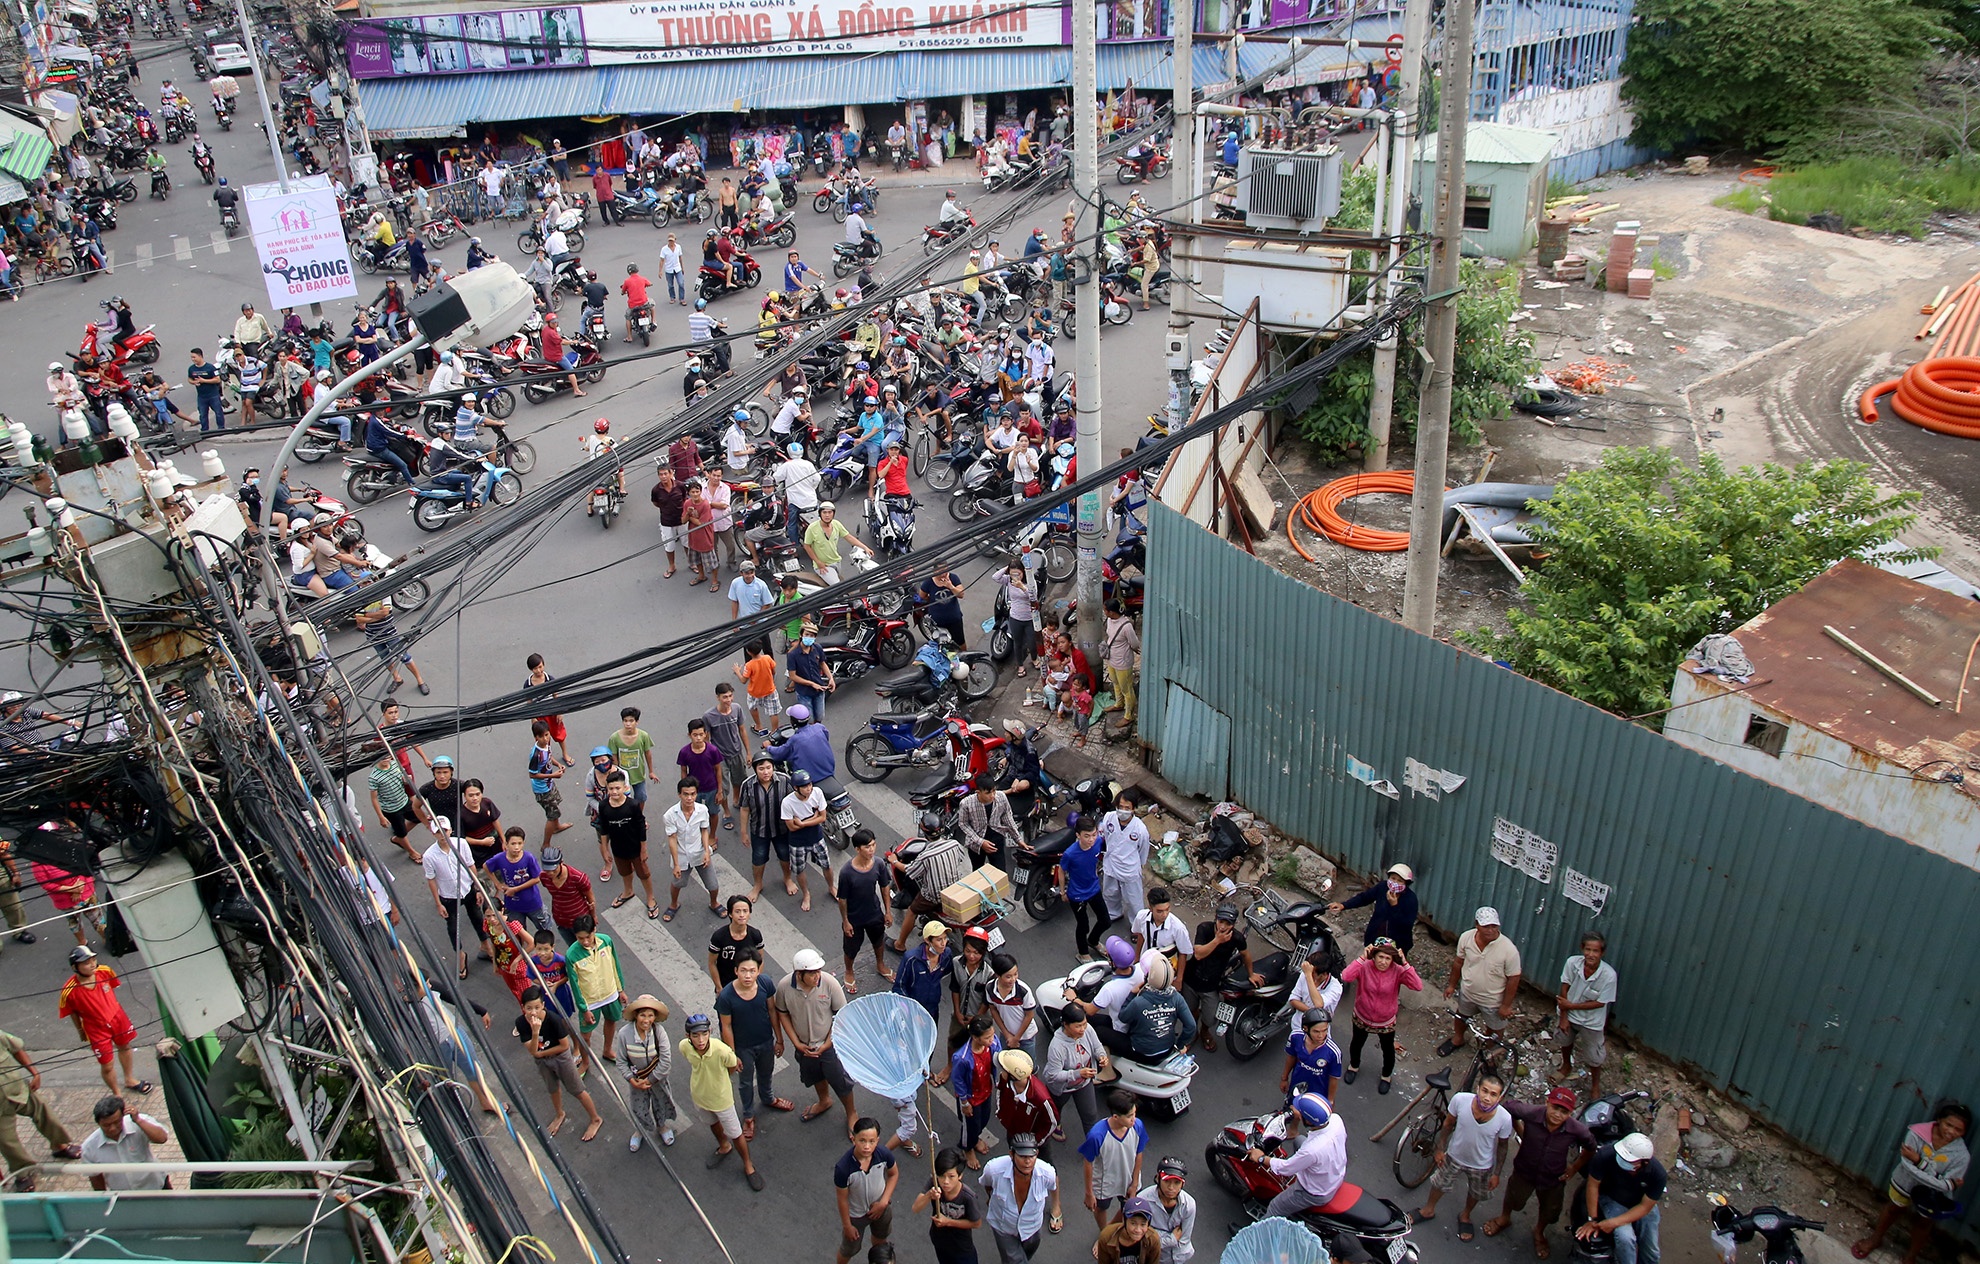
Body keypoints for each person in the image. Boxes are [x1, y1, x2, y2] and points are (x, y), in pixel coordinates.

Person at [1483, 1085, 1596, 1253]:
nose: (1558, 1114)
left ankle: (1539, 1231)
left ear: (1570, 1114)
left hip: (1554, 1178)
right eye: (1555, 1107)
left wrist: (1574, 1168)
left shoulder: (1577, 1130)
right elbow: (1507, 1108)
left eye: (1564, 1112)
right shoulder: (1530, 1112)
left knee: (1550, 1209)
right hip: (1524, 1170)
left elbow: (1591, 1147)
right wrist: (1521, 1132)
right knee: (1513, 1197)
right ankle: (1504, 1218)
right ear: (1547, 1102)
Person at [1854, 1102, 1971, 1264]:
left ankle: (1910, 1257)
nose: (1951, 1131)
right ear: (1939, 1120)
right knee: (1893, 1209)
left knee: (1924, 1223)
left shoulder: (1962, 1156)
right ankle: (1875, 1239)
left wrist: (1918, 1161)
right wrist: (1941, 1180)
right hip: (1905, 1183)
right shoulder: (1917, 1133)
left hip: (1931, 1196)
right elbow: (1909, 1167)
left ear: (1964, 1132)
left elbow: (1942, 1185)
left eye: (1958, 1130)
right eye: (1948, 1124)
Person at [1415, 1071, 1514, 1238]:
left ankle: (1465, 1215)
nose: (1487, 1097)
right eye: (1484, 1090)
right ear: (1478, 1088)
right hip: (1454, 1155)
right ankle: (1428, 1210)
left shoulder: (1505, 1118)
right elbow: (1447, 1124)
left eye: (1493, 1094)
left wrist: (1496, 1174)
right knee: (1439, 1183)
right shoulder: (1460, 1100)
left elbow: (1503, 1147)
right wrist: (1440, 1149)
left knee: (1475, 1192)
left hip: (1482, 1165)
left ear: (1499, 1098)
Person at [774, 947, 860, 1132]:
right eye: (812, 973)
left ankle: (851, 1113)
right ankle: (824, 1100)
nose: (817, 976)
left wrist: (828, 1043)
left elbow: (841, 1016)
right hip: (804, 1047)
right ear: (799, 974)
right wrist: (796, 1043)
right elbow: (782, 1013)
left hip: (829, 1045)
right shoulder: (784, 987)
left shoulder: (829, 983)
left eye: (818, 971)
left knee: (841, 1081)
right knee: (815, 1076)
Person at [682, 1012, 764, 1189]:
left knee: (736, 1133)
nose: (701, 1039)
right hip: (700, 1096)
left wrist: (719, 1081)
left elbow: (733, 1065)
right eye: (695, 1035)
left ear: (710, 1032)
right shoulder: (685, 1047)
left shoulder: (721, 1050)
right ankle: (723, 1146)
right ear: (688, 1036)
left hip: (722, 1100)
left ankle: (748, 1165)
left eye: (704, 1034)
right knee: (712, 1123)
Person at [515, 985, 603, 1142]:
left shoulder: (553, 1020)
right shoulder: (522, 1023)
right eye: (529, 1008)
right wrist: (535, 1033)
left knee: (577, 1090)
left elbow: (564, 1046)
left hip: (560, 1057)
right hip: (542, 1060)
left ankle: (595, 1118)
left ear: (543, 1005)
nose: (533, 1012)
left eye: (536, 1007)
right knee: (552, 1088)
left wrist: (540, 1053)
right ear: (523, 1008)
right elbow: (532, 1049)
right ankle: (559, 1113)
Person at [59, 945, 148, 1097]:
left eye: (93, 959)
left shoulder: (105, 971)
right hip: (96, 1029)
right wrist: (80, 1030)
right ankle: (117, 1093)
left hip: (117, 1018)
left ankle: (129, 1079)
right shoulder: (69, 991)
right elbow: (71, 1012)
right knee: (107, 1065)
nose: (92, 964)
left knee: (125, 1046)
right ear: (75, 967)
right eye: (86, 962)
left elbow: (111, 991)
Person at [718, 951, 791, 1135]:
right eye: (743, 970)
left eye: (752, 970)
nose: (748, 975)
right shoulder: (726, 996)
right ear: (736, 971)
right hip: (743, 1049)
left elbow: (772, 1011)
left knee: (766, 1073)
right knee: (745, 1083)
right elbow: (726, 1026)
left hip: (766, 1042)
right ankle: (748, 1115)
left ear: (759, 971)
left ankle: (768, 1098)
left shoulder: (765, 983)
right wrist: (732, 1055)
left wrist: (779, 1039)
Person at [0, 1025, 80, 1191]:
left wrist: (34, 1072)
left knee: (45, 1113)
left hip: (17, 1090)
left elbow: (16, 1049)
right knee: (7, 1141)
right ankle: (23, 1172)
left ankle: (60, 1145)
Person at [1339, 938, 1422, 1093]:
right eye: (1380, 957)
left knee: (1387, 1049)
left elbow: (1418, 986)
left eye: (1388, 958)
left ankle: (1386, 1075)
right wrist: (1362, 958)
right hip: (1362, 1015)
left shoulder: (1397, 971)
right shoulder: (1364, 966)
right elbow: (1345, 976)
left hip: (1386, 1020)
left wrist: (1404, 963)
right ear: (1374, 955)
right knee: (1357, 1043)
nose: (1383, 962)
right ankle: (1354, 1066)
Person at [1250, 1092, 1347, 1219]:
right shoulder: (1336, 1120)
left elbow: (1285, 1169)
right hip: (1333, 1175)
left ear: (1308, 1120)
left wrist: (1261, 1158)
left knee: (1275, 1206)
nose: (1296, 1111)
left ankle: (1253, 1235)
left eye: (1300, 1112)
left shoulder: (1311, 1150)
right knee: (1299, 1140)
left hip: (1315, 1192)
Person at [1441, 907, 1521, 1057]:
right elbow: (1458, 963)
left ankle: (1488, 1052)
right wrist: (1452, 985)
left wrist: (1505, 1005)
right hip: (1468, 992)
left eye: (1494, 926)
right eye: (1486, 926)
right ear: (1477, 925)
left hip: (1492, 1000)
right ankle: (1458, 1039)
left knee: (1495, 1029)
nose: (1490, 930)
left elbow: (1514, 979)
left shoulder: (1509, 950)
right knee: (1461, 1016)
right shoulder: (1466, 938)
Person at [1575, 1133, 1665, 1264]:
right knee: (1625, 1238)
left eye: (1629, 1160)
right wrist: (1593, 1219)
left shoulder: (1657, 1174)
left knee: (1651, 1247)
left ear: (1643, 1162)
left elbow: (1645, 1207)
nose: (1622, 1160)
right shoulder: (1605, 1156)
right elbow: (1593, 1186)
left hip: (1640, 1203)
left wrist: (1613, 1223)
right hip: (1612, 1200)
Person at [1181, 903, 1258, 1052]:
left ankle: (1204, 1031)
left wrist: (1251, 974)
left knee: (1209, 1017)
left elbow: (1245, 954)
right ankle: (1192, 1032)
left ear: (1233, 925)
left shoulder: (1237, 938)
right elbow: (1198, 953)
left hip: (1212, 985)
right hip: (1191, 979)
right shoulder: (1204, 928)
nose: (1223, 927)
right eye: (1221, 921)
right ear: (1216, 919)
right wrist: (1217, 941)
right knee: (1190, 1010)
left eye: (1228, 923)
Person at [422, 819, 492, 978]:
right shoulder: (429, 856)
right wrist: (438, 903)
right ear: (434, 833)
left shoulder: (461, 844)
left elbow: (471, 865)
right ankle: (460, 955)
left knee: (477, 918)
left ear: (450, 830)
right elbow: (431, 879)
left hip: (467, 889)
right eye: (438, 831)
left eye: (444, 830)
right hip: (448, 895)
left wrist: (477, 888)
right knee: (453, 927)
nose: (442, 834)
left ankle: (485, 946)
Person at [1554, 931, 1617, 1097]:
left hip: (1591, 1022)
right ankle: (1566, 1066)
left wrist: (1571, 1006)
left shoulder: (1608, 975)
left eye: (1595, 951)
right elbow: (1564, 987)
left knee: (1594, 1056)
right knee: (1565, 1040)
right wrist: (1564, 1016)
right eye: (1588, 949)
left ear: (1602, 953)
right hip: (1569, 1013)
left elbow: (1600, 1003)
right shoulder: (1572, 963)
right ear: (1582, 949)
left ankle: (1595, 1086)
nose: (1591, 954)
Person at [981, 1133, 1062, 1258]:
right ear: (1012, 1155)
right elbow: (987, 1185)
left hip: (1032, 1227)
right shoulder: (993, 1169)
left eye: (1031, 1156)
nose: (1028, 1161)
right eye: (1022, 1156)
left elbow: (1052, 1187)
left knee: (1026, 1255)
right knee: (1014, 1260)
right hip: (1003, 1227)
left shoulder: (1047, 1173)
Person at [616, 994, 677, 1150]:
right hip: (637, 1080)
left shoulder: (659, 1032)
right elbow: (621, 1061)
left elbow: (665, 1061)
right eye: (643, 1015)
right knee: (638, 1107)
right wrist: (632, 1079)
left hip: (658, 1079)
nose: (646, 1020)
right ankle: (640, 1130)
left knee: (660, 1103)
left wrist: (650, 1080)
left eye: (650, 1015)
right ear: (636, 1015)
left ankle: (662, 1126)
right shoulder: (624, 1034)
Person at [1079, 1089, 1148, 1229]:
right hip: (1104, 1184)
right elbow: (1088, 1163)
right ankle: (1104, 1234)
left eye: (1134, 1113)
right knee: (1101, 1209)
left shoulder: (1137, 1126)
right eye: (1129, 1116)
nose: (1134, 1119)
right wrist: (1089, 1193)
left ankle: (1111, 1229)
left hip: (1129, 1180)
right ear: (1116, 1117)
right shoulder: (1097, 1136)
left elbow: (1139, 1154)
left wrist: (1134, 1184)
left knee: (1128, 1208)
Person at [566, 913, 630, 1063]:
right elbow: (575, 985)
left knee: (611, 1020)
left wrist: (620, 990)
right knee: (586, 1035)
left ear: (594, 930)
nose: (585, 942)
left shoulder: (606, 941)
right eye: (580, 938)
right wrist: (584, 1009)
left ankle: (607, 1050)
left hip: (610, 993)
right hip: (590, 1001)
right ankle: (586, 1062)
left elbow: (615, 966)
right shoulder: (571, 955)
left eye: (588, 936)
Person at [836, 1118, 901, 1263]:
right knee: (848, 1249)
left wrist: (883, 1203)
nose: (867, 1146)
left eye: (871, 1141)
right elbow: (842, 1199)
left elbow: (893, 1174)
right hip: (856, 1216)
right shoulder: (843, 1168)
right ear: (853, 1139)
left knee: (880, 1239)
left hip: (881, 1208)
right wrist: (847, 1225)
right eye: (862, 1140)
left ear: (877, 1140)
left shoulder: (883, 1154)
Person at [1042, 1005, 1109, 1138]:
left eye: (1084, 1024)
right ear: (1065, 1025)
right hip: (1062, 1087)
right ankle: (1056, 1125)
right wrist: (1078, 1073)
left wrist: (1102, 1056)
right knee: (1056, 1109)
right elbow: (1053, 1074)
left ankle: (1092, 1147)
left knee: (1090, 1115)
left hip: (1083, 1083)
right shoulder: (1057, 1046)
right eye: (1078, 1026)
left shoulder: (1087, 1030)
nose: (1082, 1029)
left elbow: (1097, 1046)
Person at [837, 829, 892, 992]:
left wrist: (887, 911)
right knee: (851, 949)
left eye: (873, 845)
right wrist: (846, 922)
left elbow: (884, 887)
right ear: (857, 849)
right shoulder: (847, 872)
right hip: (854, 918)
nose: (872, 850)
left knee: (878, 941)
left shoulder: (879, 864)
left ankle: (880, 965)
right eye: (867, 847)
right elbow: (842, 899)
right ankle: (849, 971)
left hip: (874, 913)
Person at [1326, 862, 1419, 954]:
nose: (1395, 883)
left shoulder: (1411, 899)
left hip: (1397, 945)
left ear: (1406, 884)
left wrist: (1394, 906)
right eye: (1393, 878)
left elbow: (1406, 925)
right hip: (1374, 938)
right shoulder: (1383, 887)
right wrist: (1344, 905)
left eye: (1399, 881)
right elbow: (1364, 898)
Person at [914, 1148, 986, 1264]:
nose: (945, 1181)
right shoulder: (934, 1182)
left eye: (951, 1176)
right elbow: (915, 1208)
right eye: (941, 1175)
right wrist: (929, 1195)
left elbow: (976, 1223)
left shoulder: (968, 1197)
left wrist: (948, 1222)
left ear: (960, 1176)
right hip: (939, 1241)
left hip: (962, 1249)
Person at [81, 1096, 169, 1190]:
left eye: (116, 1122)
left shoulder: (138, 1123)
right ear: (98, 1123)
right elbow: (95, 1178)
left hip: (157, 1187)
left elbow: (162, 1138)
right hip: (123, 1196)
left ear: (123, 1116)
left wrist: (138, 1120)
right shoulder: (89, 1147)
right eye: (107, 1125)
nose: (112, 1128)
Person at [1118, 959, 1196, 1061]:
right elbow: (1191, 1026)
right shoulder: (1177, 998)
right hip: (1167, 1048)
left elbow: (1123, 1017)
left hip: (1141, 1052)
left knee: (1102, 1032)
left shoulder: (1139, 1002)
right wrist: (1180, 1045)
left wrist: (1131, 994)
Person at [486, 827, 552, 939]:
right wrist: (497, 884)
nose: (516, 847)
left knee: (545, 930)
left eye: (519, 843)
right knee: (518, 935)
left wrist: (515, 889)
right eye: (513, 843)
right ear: (506, 844)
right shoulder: (500, 859)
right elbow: (486, 867)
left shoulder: (528, 858)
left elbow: (537, 878)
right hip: (513, 906)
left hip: (533, 903)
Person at [782, 768, 834, 912]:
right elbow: (791, 827)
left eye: (809, 785)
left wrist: (802, 823)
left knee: (827, 865)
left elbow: (823, 817)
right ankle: (806, 894)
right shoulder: (787, 803)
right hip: (797, 842)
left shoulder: (817, 793)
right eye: (804, 787)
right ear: (796, 788)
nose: (808, 789)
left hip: (816, 838)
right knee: (800, 870)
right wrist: (813, 819)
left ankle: (831, 887)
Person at [1062, 818, 1110, 959]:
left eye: (1094, 835)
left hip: (1094, 889)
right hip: (1077, 895)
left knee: (1105, 920)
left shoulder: (1098, 843)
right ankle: (1082, 953)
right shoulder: (1070, 854)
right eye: (1087, 836)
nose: (1091, 839)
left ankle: (1093, 940)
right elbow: (1061, 870)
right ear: (1078, 835)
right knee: (1083, 925)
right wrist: (1062, 891)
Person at [1099, 792, 1149, 923]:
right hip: (1111, 863)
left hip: (1129, 869)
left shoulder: (1140, 829)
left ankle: (1137, 926)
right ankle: (1113, 914)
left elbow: (1143, 850)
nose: (1123, 811)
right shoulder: (1109, 818)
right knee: (1110, 893)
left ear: (1133, 809)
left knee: (1134, 900)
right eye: (1121, 807)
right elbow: (1103, 835)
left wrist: (1140, 864)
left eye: (1127, 808)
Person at [891, 921, 951, 1030]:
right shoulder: (911, 959)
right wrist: (913, 1013)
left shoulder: (946, 954)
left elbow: (947, 970)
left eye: (945, 938)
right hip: (912, 1011)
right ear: (927, 940)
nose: (944, 943)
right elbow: (899, 987)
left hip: (932, 1008)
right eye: (939, 940)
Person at [1136, 1157, 1196, 1264]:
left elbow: (1184, 1240)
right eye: (1167, 1181)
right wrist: (1171, 1239)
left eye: (1176, 1182)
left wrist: (1156, 1234)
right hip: (1150, 1256)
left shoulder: (1189, 1205)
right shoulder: (1142, 1201)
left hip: (1178, 1258)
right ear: (1158, 1179)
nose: (1171, 1188)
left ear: (1182, 1184)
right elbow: (1141, 1237)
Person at [1281, 1009, 1342, 1102]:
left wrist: (1330, 1101)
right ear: (1305, 1028)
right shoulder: (1295, 1037)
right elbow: (1291, 1057)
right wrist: (1284, 1078)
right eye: (1316, 1031)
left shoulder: (1334, 1052)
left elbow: (1333, 1078)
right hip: (1296, 1089)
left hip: (1318, 1096)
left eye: (1325, 1030)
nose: (1321, 1035)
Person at [709, 893, 765, 992]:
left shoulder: (755, 935)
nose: (742, 915)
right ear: (730, 914)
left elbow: (760, 960)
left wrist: (754, 981)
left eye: (745, 911)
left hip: (748, 986)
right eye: (737, 911)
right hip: (726, 986)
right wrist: (719, 988)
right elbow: (712, 963)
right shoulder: (719, 937)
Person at [804, 501, 871, 585]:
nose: (827, 515)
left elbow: (849, 537)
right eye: (824, 512)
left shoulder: (836, 524)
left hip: (836, 561)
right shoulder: (812, 528)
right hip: (824, 566)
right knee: (837, 586)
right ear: (820, 514)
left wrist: (865, 547)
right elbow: (807, 546)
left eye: (829, 512)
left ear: (833, 514)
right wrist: (818, 563)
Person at [539, 847, 595, 946]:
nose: (550, 873)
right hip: (561, 921)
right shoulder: (544, 877)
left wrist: (593, 916)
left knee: (588, 948)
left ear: (561, 862)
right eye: (547, 870)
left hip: (580, 922)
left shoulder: (578, 878)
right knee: (574, 949)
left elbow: (590, 899)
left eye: (553, 869)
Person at [959, 781, 1021, 865]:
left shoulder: (1001, 797)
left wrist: (1018, 839)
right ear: (978, 792)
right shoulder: (966, 803)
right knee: (978, 871)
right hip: (975, 841)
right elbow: (963, 824)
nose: (992, 795)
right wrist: (981, 842)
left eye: (994, 791)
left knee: (1000, 872)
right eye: (988, 793)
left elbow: (1007, 818)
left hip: (996, 838)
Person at [1129, 888, 1190, 972]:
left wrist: (1179, 979)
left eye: (1167, 909)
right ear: (1150, 908)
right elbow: (1141, 936)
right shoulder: (1141, 917)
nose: (1165, 915)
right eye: (1160, 911)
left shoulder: (1178, 928)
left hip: (1166, 969)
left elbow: (1183, 953)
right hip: (1145, 964)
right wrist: (1137, 958)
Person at [607, 707, 656, 805]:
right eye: (625, 721)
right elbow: (613, 756)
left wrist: (651, 772)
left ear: (637, 722)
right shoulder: (614, 738)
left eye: (631, 721)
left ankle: (639, 817)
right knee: (622, 798)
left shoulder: (643, 736)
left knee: (641, 797)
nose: (628, 724)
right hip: (622, 776)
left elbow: (648, 753)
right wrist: (616, 772)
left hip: (638, 775)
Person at [1101, 604, 1140, 727]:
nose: (1104, 612)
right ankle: (1119, 704)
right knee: (1115, 683)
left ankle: (1128, 716)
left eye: (1105, 610)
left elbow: (1134, 643)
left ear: (1112, 612)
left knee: (1126, 689)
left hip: (1123, 662)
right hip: (1111, 658)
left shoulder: (1126, 626)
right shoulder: (1109, 620)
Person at [1097, 1198, 1163, 1264]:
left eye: (1143, 1224)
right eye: (1133, 1223)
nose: (1138, 1230)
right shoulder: (1106, 1237)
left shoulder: (1153, 1239)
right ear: (1124, 1220)